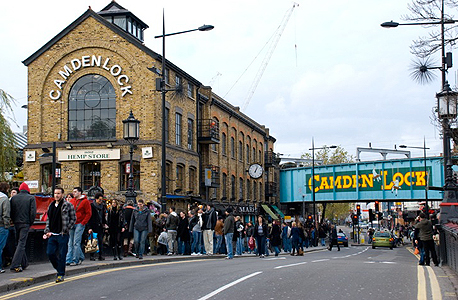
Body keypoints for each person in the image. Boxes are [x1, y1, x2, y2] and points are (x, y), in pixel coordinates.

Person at [43, 187, 76, 283]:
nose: (56, 195)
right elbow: (48, 219)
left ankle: (60, 274)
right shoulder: (51, 205)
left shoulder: (68, 205)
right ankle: (59, 268)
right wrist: (47, 230)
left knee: (62, 255)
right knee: (50, 253)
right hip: (52, 234)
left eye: (58, 193)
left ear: (62, 194)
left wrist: (66, 229)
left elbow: (73, 219)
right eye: (55, 193)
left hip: (62, 234)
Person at [10, 182, 36, 272]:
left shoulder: (14, 198)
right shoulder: (31, 198)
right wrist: (30, 222)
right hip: (25, 223)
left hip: (16, 223)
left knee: (18, 243)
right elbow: (33, 213)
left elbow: (11, 211)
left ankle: (24, 263)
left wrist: (13, 220)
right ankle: (15, 264)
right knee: (21, 243)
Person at [66, 187, 91, 266]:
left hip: (80, 223)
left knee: (76, 242)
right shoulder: (72, 201)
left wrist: (83, 223)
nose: (73, 193)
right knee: (70, 242)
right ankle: (69, 259)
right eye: (73, 191)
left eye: (75, 191)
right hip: (72, 223)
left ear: (80, 192)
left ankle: (75, 260)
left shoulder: (85, 201)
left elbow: (88, 213)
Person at [88, 193, 107, 261]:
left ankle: (100, 255)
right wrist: (89, 227)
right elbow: (89, 217)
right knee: (93, 241)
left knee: (100, 241)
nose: (100, 201)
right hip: (93, 226)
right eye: (99, 199)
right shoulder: (91, 206)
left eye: (101, 200)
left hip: (100, 226)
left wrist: (104, 223)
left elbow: (103, 216)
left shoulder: (102, 206)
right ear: (96, 199)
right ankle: (92, 255)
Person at [0, 183, 11, 273]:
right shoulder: (4, 199)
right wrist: (7, 225)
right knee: (0, 247)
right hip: (2, 226)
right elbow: (6, 214)